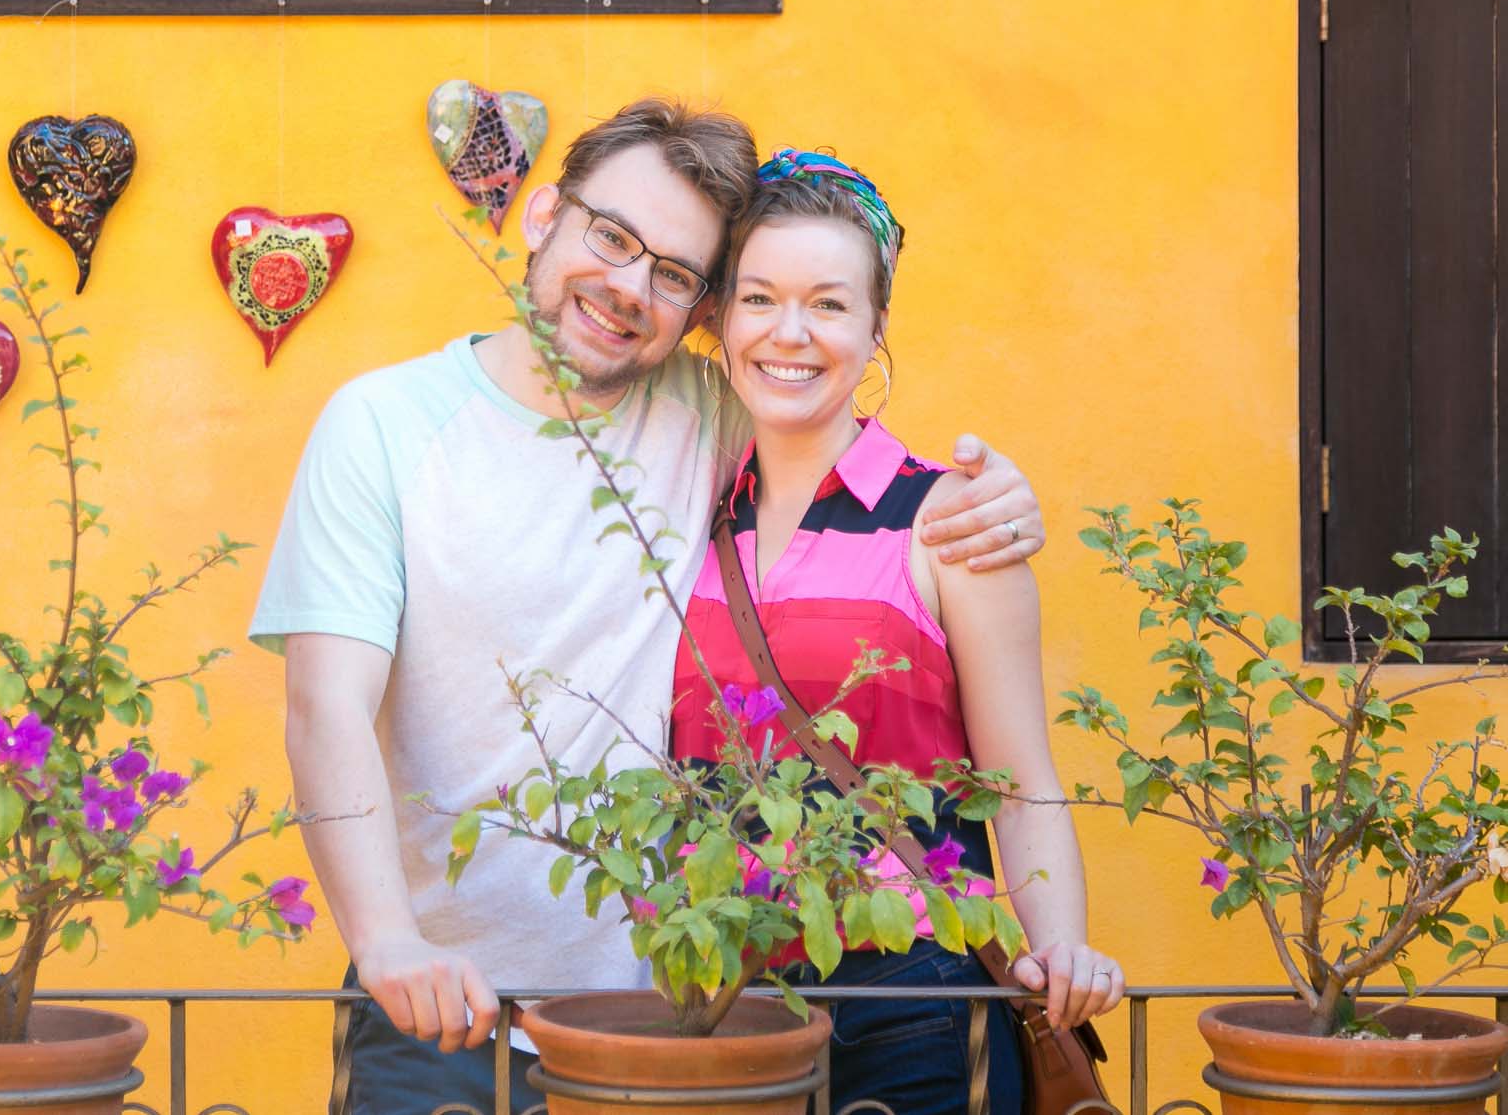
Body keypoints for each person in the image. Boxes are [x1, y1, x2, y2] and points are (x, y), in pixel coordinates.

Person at [249, 101, 1047, 1114]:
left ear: (701, 309)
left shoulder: (712, 414)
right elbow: (324, 706)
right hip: (439, 1003)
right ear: (543, 214)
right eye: (612, 237)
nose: (628, 287)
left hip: (677, 1019)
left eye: (674, 274)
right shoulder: (384, 424)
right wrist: (386, 941)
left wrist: (993, 498)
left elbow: (849, 456)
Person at [670, 148, 1122, 1114]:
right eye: (759, 298)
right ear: (718, 319)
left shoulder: (951, 519)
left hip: (912, 997)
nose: (790, 332)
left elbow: (1016, 779)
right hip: (717, 1005)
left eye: (829, 304)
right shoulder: (680, 514)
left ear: (876, 327)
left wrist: (1061, 942)